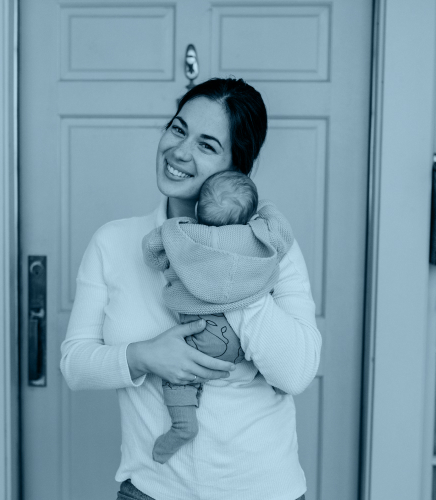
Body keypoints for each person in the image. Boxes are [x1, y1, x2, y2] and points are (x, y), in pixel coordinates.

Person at [60, 77, 319, 500]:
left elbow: (297, 371)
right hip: (150, 490)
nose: (179, 151)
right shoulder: (116, 242)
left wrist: (228, 265)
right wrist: (145, 356)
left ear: (239, 166)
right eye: (178, 129)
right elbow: (75, 364)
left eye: (207, 144)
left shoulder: (271, 246)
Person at [141, 170, 294, 464]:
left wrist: (173, 225)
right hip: (245, 339)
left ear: (198, 208)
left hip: (203, 336)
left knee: (179, 378)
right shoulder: (257, 236)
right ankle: (276, 378)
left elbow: (152, 253)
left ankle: (184, 425)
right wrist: (264, 208)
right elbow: (282, 232)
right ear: (249, 215)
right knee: (269, 347)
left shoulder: (184, 234)